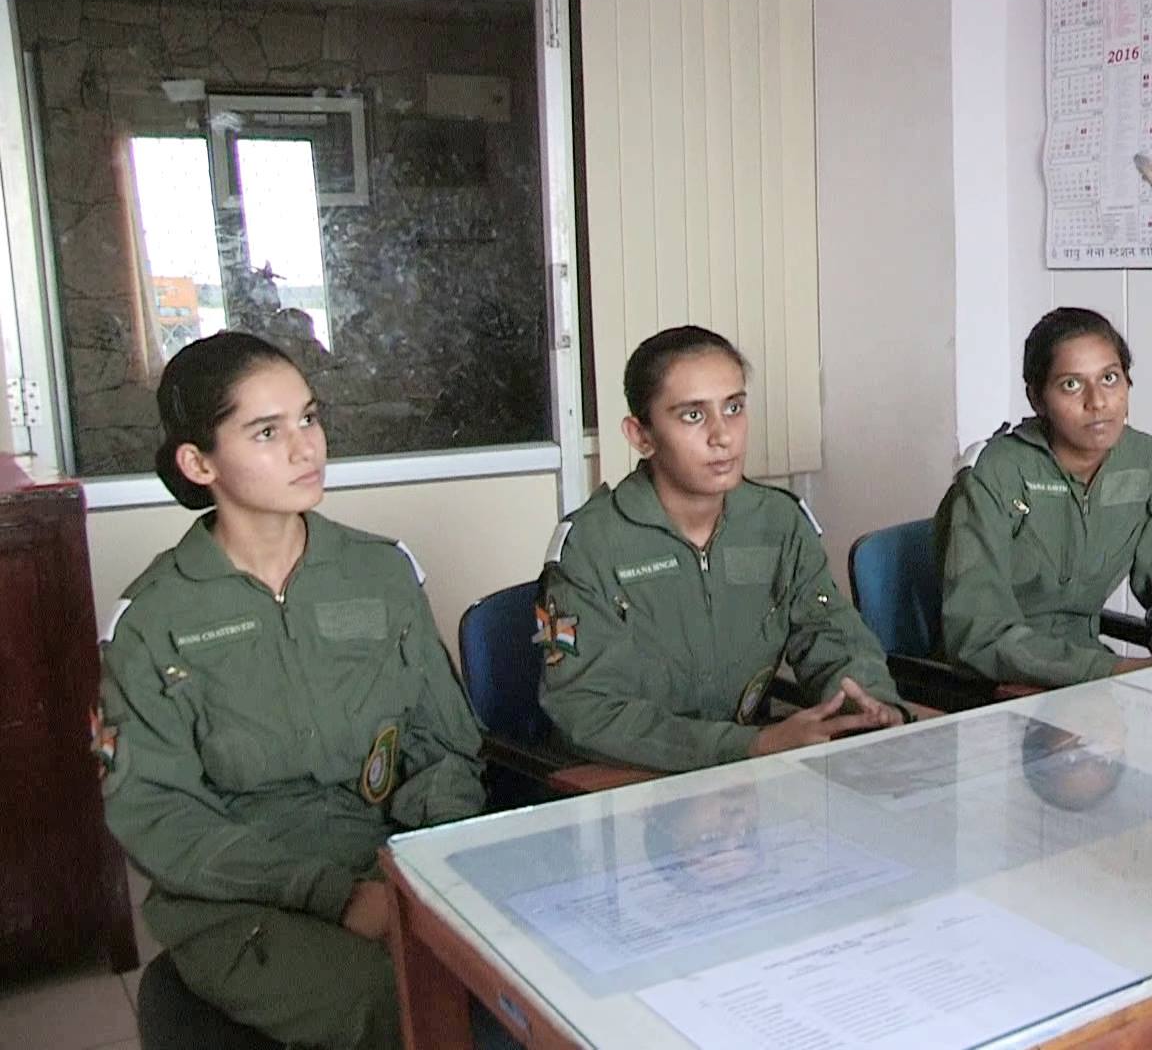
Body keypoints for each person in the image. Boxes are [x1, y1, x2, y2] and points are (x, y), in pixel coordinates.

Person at [94, 332, 486, 1050]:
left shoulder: (378, 572)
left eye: (309, 418)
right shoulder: (153, 620)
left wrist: (428, 863)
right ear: (198, 461)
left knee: (530, 975)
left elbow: (444, 743)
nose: (307, 448)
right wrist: (334, 896)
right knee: (390, 1002)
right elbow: (158, 815)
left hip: (392, 859)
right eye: (267, 432)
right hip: (240, 902)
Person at [539, 326, 908, 772]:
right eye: (693, 416)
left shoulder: (777, 522)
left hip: (753, 780)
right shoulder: (592, 544)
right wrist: (747, 746)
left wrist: (866, 702)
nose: (723, 436)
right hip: (641, 786)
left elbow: (831, 635)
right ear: (641, 435)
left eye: (733, 408)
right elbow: (586, 710)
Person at [937, 307, 1152, 691]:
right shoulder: (993, 472)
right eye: (1071, 385)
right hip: (998, 680)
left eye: (1110, 378)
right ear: (1037, 399)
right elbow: (979, 634)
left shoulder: (1146, 463)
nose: (1098, 401)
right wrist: (1125, 670)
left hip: (1091, 671)